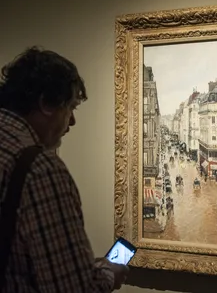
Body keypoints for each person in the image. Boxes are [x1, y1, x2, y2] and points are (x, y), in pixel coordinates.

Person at [0, 46, 129, 292]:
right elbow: (73, 288)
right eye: (70, 107)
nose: (72, 120)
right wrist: (107, 273)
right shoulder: (40, 169)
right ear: (47, 104)